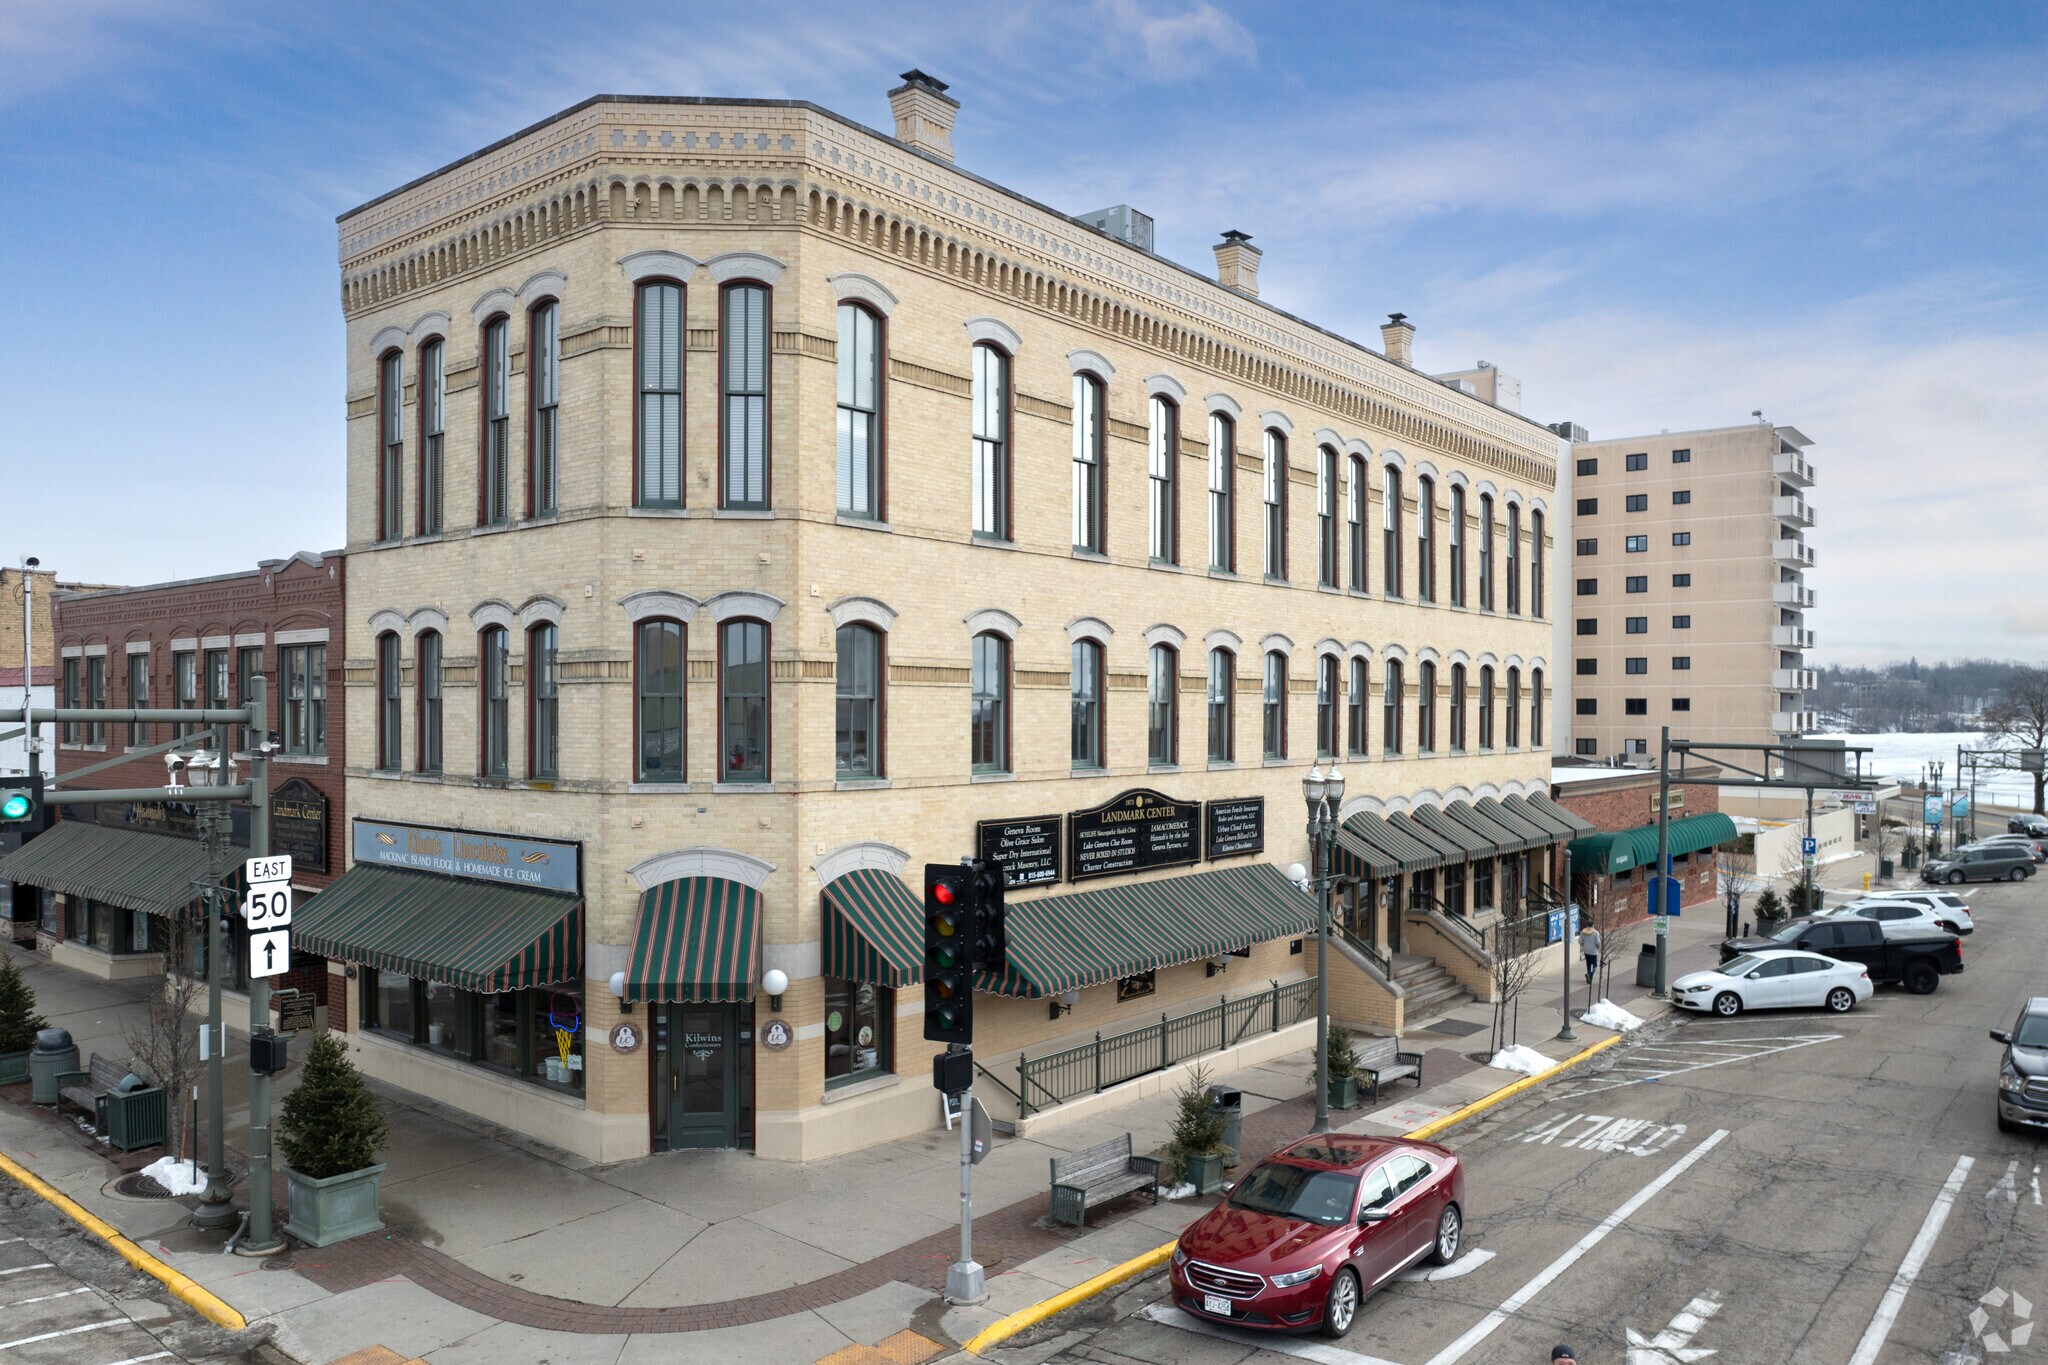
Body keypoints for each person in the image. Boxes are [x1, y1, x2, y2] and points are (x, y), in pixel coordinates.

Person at [1577, 922, 1601, 987]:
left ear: (1587, 925)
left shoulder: (1583, 932)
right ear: (1593, 925)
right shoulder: (1595, 933)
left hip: (1586, 951)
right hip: (1593, 951)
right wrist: (1597, 948)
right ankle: (1590, 974)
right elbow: (1598, 943)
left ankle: (1589, 979)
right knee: (1594, 965)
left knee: (1588, 964)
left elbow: (1579, 941)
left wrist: (1584, 945)